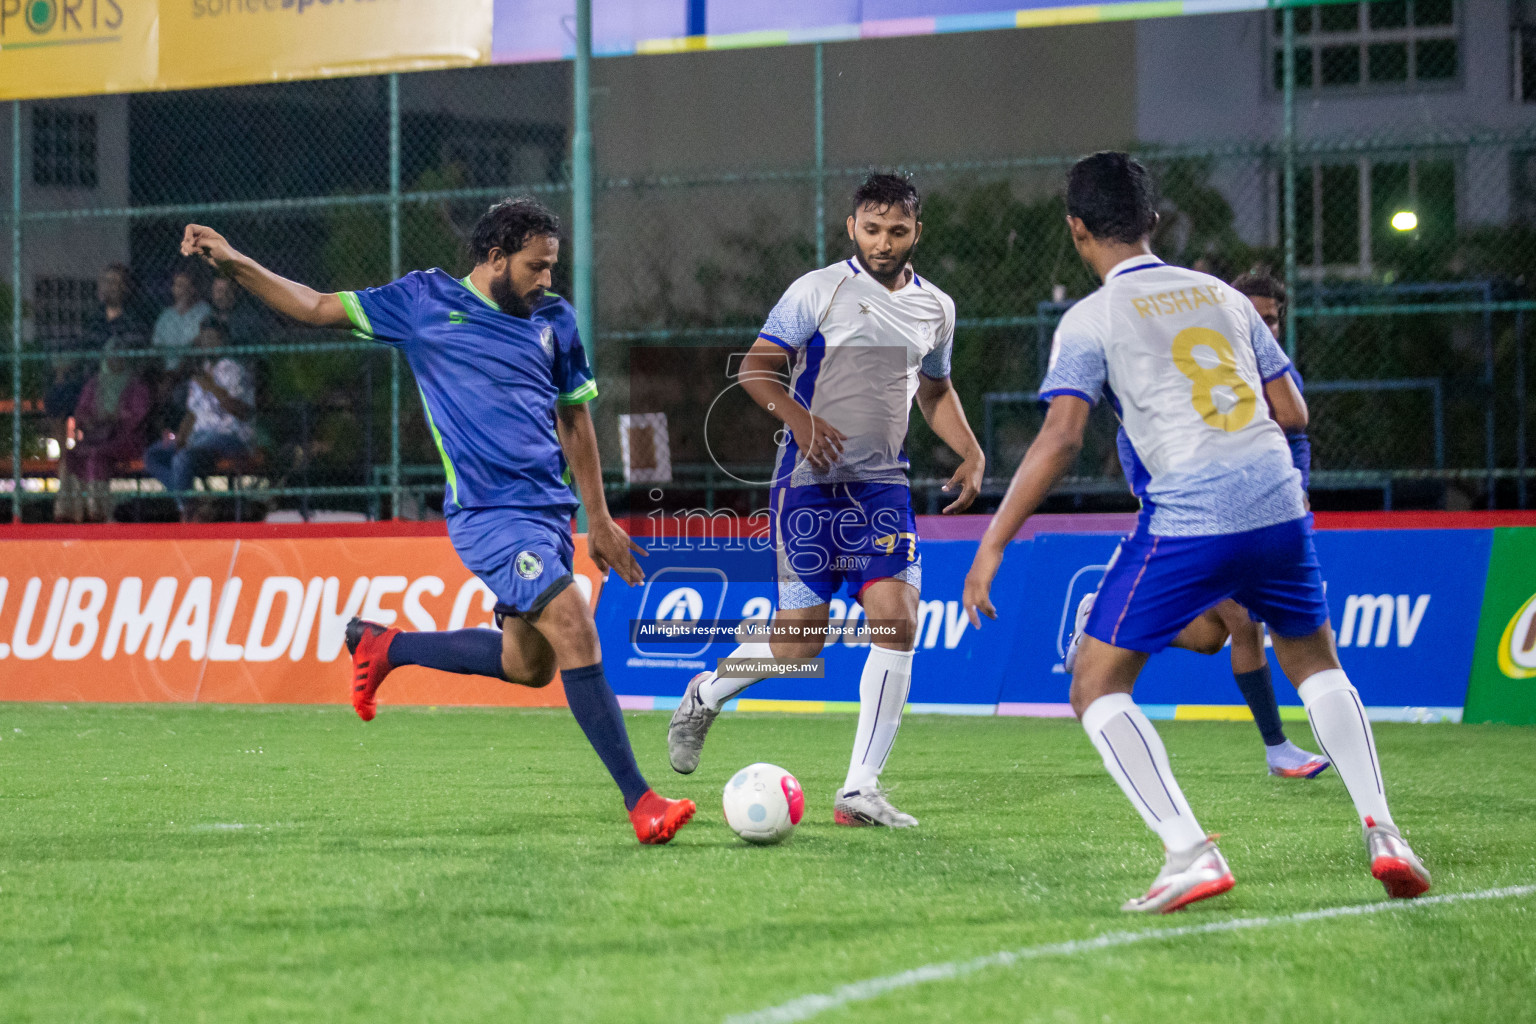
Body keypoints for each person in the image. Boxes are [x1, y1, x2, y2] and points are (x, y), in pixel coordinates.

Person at [962, 153, 1429, 913]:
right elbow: (1293, 414)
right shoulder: (1224, 296)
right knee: (1315, 661)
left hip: (1192, 511)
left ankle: (1189, 851)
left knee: (1094, 684)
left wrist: (992, 543)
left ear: (1078, 230)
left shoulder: (1092, 318)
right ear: (1153, 222)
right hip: (1278, 497)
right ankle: (1385, 833)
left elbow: (1059, 439)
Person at [179, 197, 697, 846]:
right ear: (494, 258)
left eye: (553, 268)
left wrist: (598, 519)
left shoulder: (555, 320)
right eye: (536, 267)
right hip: (487, 517)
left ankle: (385, 646)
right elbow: (313, 305)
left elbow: (575, 418)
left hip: (547, 521)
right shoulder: (422, 302)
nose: (547, 280)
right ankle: (642, 801)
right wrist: (233, 263)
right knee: (574, 625)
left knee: (530, 665)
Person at [666, 173, 985, 828]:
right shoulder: (817, 290)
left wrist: (971, 450)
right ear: (852, 228)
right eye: (872, 229)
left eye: (898, 230)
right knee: (797, 646)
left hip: (883, 490)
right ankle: (705, 694)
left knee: (897, 618)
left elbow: (934, 391)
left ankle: (858, 790)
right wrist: (801, 420)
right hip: (808, 486)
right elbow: (756, 368)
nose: (884, 242)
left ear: (917, 232)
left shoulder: (938, 310)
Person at [1064, 269, 1330, 780]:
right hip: (1192, 519)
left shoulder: (1279, 380)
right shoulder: (1186, 381)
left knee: (1211, 637)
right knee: (1243, 622)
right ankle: (1278, 749)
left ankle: (1100, 617)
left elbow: (1296, 442)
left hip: (1264, 518)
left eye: (1272, 319)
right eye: (1257, 316)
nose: (1265, 328)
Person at [143, 321, 257, 522]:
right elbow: (192, 413)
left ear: (223, 341)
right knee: (154, 455)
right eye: (204, 339)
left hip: (228, 436)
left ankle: (186, 511)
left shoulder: (233, 369)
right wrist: (181, 437)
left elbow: (242, 411)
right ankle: (193, 501)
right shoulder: (202, 371)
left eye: (213, 339)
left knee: (183, 459)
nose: (208, 343)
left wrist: (211, 386)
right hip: (198, 437)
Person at [55, 352, 152, 524]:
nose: (115, 360)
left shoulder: (136, 385)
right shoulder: (95, 384)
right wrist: (89, 420)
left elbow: (137, 416)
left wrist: (114, 418)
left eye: (119, 356)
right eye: (111, 356)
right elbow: (81, 412)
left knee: (95, 456)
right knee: (70, 457)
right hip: (95, 437)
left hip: (125, 439)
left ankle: (97, 512)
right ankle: (68, 511)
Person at [151, 264, 211, 370]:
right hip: (166, 369)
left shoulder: (204, 311)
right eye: (177, 286)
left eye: (183, 286)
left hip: (194, 368)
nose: (180, 290)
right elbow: (157, 345)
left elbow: (201, 342)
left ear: (193, 289)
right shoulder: (166, 316)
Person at [209, 276, 267, 348]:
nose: (220, 296)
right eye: (217, 291)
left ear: (233, 292)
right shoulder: (210, 313)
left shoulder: (246, 315)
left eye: (225, 291)